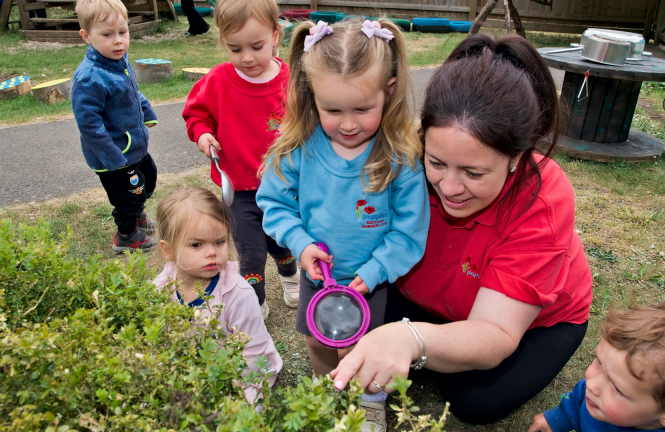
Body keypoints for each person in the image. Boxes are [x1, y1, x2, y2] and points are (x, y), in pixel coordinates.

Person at [330, 33, 594, 425]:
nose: (450, 187)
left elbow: (496, 332)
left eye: (473, 172)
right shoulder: (401, 159)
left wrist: (410, 338)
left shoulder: (543, 199)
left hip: (536, 320)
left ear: (516, 158)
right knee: (358, 325)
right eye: (435, 162)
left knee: (473, 402)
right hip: (434, 297)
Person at [256, 18, 430, 431]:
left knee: (368, 350)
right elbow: (274, 204)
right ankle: (327, 394)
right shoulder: (299, 149)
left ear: (387, 92)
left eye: (362, 109)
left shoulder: (400, 158)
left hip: (371, 282)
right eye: (332, 109)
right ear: (310, 94)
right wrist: (300, 245)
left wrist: (373, 274)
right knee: (318, 343)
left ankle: (369, 405)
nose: (348, 123)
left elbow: (409, 232)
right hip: (318, 277)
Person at [182, 0, 297, 321]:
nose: (246, 57)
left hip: (283, 186)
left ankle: (290, 277)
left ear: (276, 35)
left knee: (282, 242)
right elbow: (196, 114)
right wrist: (203, 134)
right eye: (235, 49)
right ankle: (255, 301)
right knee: (250, 254)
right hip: (240, 191)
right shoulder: (218, 81)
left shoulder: (291, 80)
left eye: (256, 46)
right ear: (223, 42)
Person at [153, 187, 282, 404]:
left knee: (233, 415)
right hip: (193, 372)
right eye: (196, 244)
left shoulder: (237, 293)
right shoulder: (161, 288)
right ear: (169, 250)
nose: (212, 252)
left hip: (244, 375)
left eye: (219, 241)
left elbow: (253, 352)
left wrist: (221, 387)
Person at [528, 300, 665, 432]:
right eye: (599, 362)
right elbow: (578, 398)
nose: (592, 383)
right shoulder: (598, 396)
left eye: (618, 390)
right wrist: (558, 418)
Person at [72, 0, 159, 253]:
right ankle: (127, 235)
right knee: (127, 194)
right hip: (114, 156)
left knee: (148, 179)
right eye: (107, 35)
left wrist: (147, 112)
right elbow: (89, 125)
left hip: (133, 147)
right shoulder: (90, 77)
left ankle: (137, 214)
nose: (118, 41)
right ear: (87, 36)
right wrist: (113, 157)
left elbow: (133, 94)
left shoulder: (120, 63)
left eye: (122, 32)